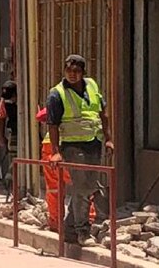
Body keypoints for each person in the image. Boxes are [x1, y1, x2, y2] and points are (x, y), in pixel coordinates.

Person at [46, 54, 111, 247]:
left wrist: (108, 139)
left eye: (76, 71)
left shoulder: (91, 85)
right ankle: (82, 231)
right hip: (72, 145)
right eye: (68, 70)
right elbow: (52, 124)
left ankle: (69, 229)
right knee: (81, 187)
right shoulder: (57, 94)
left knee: (89, 187)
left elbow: (103, 113)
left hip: (93, 142)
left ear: (83, 72)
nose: (72, 74)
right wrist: (56, 151)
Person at [0, 81, 18, 183]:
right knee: (13, 159)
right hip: (13, 133)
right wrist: (1, 137)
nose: (9, 100)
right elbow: (1, 117)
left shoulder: (26, 98)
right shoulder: (4, 101)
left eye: (11, 97)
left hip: (27, 134)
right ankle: (11, 183)